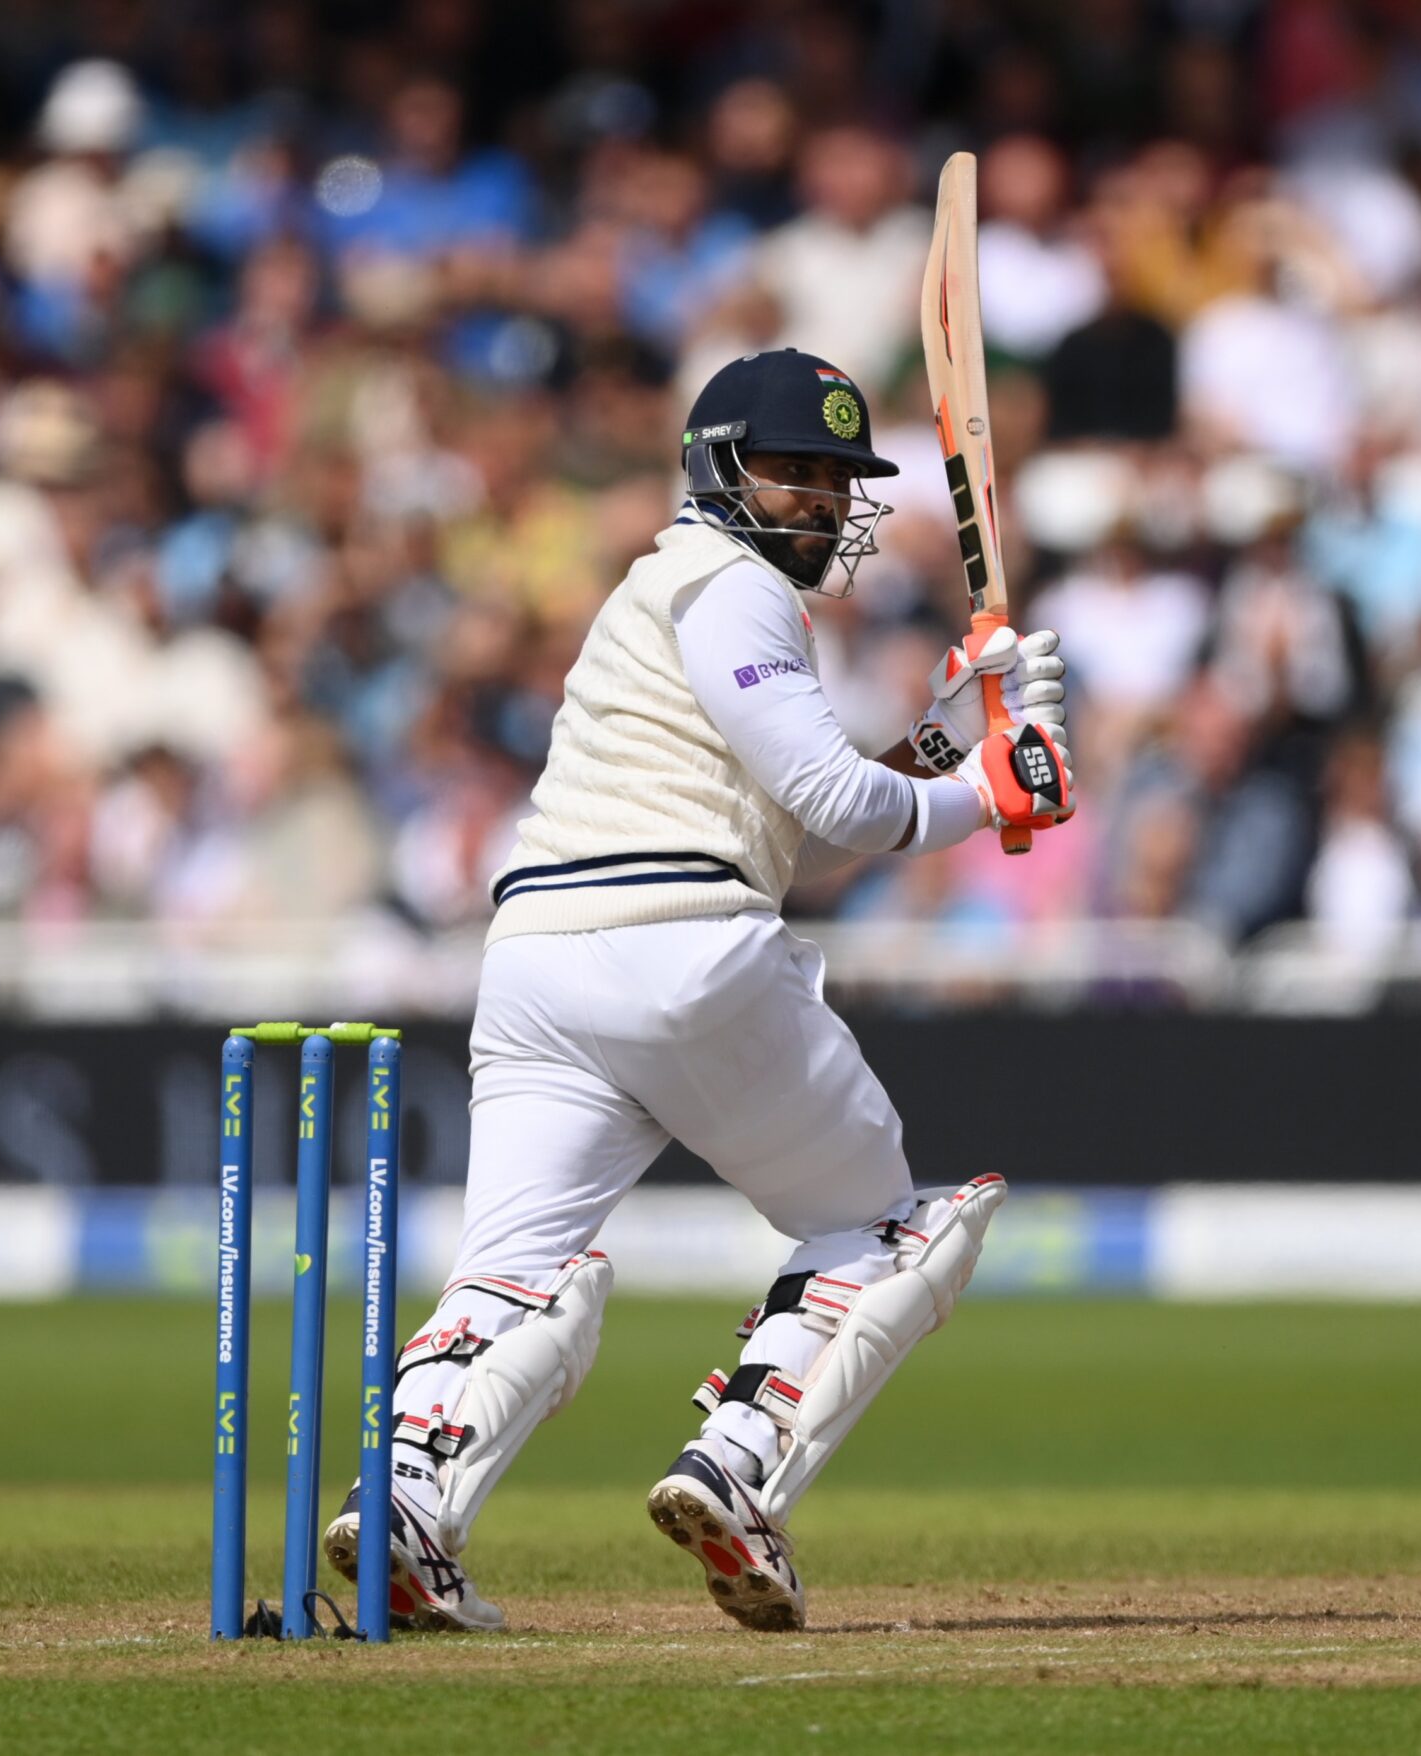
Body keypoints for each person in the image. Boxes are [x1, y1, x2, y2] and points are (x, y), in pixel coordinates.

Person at [322, 348, 1076, 1632]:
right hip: (679, 945)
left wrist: (959, 732)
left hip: (539, 965)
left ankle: (404, 1499)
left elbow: (800, 808)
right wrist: (998, 794)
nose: (824, 504)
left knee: (516, 1275)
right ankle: (737, 1464)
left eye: (838, 482)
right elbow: (839, 802)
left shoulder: (675, 591)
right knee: (891, 1228)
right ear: (719, 469)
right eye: (794, 475)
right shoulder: (730, 589)